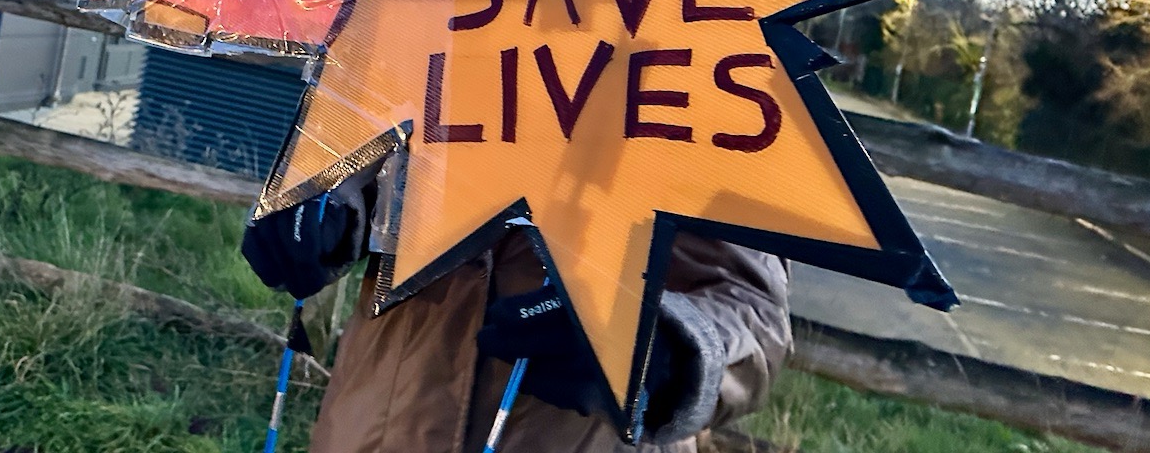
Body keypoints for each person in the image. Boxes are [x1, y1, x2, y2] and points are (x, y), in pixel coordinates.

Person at [243, 183, 791, 453]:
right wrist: (328, 206)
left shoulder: (700, 53)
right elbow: (374, 146)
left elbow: (753, 314)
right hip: (377, 425)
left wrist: (663, 353)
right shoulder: (426, 3)